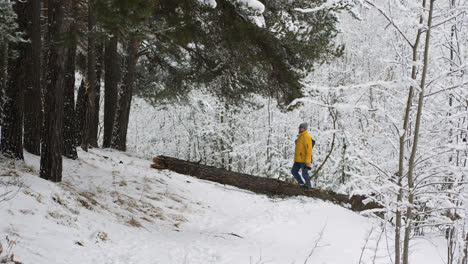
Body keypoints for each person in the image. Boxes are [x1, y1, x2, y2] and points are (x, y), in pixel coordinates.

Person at [291, 122, 313, 188]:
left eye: (301, 128)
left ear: (304, 129)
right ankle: (301, 184)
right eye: (299, 128)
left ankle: (309, 188)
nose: (299, 129)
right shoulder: (300, 136)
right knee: (294, 171)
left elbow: (309, 150)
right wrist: (296, 143)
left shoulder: (306, 137)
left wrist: (307, 161)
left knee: (305, 175)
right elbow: (301, 148)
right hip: (297, 159)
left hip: (303, 160)